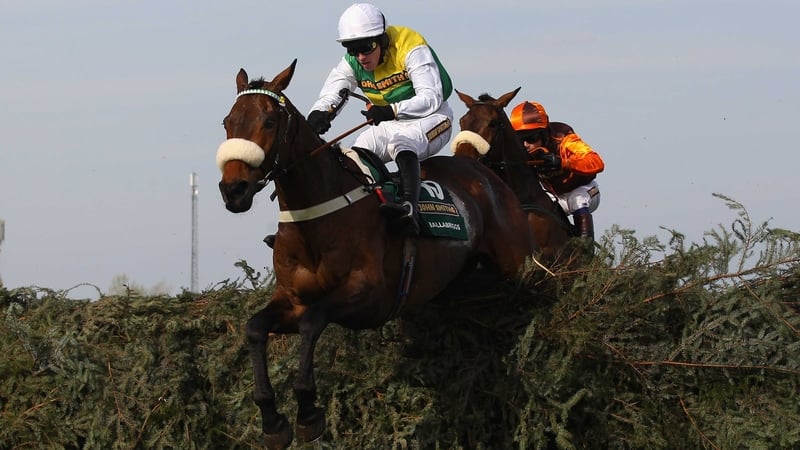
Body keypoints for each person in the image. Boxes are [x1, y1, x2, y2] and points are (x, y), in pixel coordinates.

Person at [306, 3, 454, 236]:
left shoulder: (410, 45)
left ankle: (408, 210)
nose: (361, 57)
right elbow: (334, 91)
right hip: (392, 122)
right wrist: (319, 114)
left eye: (366, 48)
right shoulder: (353, 60)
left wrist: (391, 110)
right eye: (352, 50)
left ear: (382, 39)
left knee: (401, 144)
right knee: (357, 152)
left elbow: (431, 98)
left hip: (433, 118)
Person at [509, 101, 605, 240]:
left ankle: (586, 251)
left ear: (544, 133)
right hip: (555, 196)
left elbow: (597, 162)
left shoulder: (566, 140)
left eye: (531, 138)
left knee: (576, 200)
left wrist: (563, 162)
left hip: (586, 190)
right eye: (520, 139)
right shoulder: (521, 150)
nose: (526, 145)